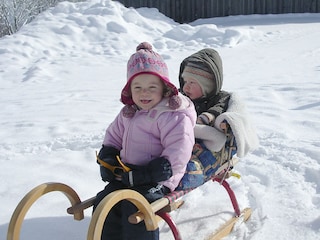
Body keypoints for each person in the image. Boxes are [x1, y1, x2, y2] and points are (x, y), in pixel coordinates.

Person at [93, 42, 197, 240]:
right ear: (129, 90)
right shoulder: (128, 113)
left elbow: (179, 150)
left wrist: (150, 173)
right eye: (138, 87)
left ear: (164, 88)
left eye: (151, 87)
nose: (144, 93)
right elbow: (113, 137)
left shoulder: (173, 115)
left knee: (135, 209)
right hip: (128, 174)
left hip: (158, 178)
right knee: (105, 202)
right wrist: (108, 156)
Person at [177, 48, 259, 189]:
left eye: (192, 83)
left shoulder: (220, 98)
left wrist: (207, 117)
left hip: (207, 145)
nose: (186, 87)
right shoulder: (181, 97)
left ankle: (184, 174)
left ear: (207, 86)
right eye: (185, 81)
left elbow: (219, 109)